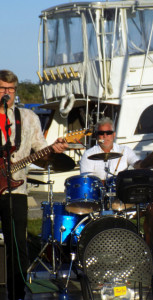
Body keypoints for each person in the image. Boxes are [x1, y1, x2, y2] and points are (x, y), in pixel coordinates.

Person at [0, 70, 69, 300]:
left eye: (10, 89)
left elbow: (39, 153)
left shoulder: (28, 117)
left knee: (17, 246)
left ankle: (16, 294)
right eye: (2, 88)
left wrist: (52, 150)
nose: (6, 93)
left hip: (16, 190)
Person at [80, 117, 153, 248]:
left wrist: (147, 163)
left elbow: (137, 164)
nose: (105, 136)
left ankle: (148, 248)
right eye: (101, 133)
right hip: (101, 202)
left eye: (108, 133)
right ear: (97, 135)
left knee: (152, 209)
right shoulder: (88, 154)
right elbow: (86, 182)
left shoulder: (124, 150)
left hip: (125, 199)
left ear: (114, 134)